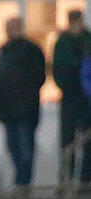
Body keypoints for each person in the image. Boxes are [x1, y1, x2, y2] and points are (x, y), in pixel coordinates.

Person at [0, 17, 45, 188]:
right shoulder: (1, 52)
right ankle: (20, 182)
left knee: (25, 150)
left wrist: (24, 93)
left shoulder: (31, 51)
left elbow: (38, 77)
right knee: (13, 148)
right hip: (7, 110)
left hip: (26, 109)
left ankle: (23, 183)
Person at [53, 10, 91, 182]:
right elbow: (58, 69)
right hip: (70, 97)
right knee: (68, 141)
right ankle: (67, 180)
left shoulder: (87, 40)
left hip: (86, 99)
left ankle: (85, 181)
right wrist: (66, 86)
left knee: (87, 141)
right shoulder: (63, 42)